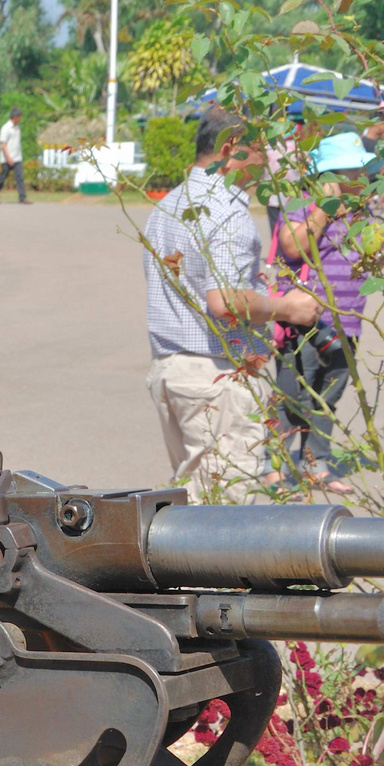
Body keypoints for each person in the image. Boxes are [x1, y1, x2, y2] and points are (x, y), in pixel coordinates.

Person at [142, 106, 320, 500]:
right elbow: (223, 300)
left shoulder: (169, 204)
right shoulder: (225, 210)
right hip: (215, 377)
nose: (267, 160)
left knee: (193, 496)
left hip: (172, 371)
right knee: (225, 513)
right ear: (233, 147)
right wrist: (288, 306)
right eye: (262, 149)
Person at [272, 131, 381, 494]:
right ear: (331, 176)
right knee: (293, 394)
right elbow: (291, 245)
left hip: (347, 321)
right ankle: (273, 465)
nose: (363, 178)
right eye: (354, 172)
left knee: (328, 395)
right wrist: (324, 208)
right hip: (306, 321)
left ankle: (314, 463)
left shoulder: (362, 212)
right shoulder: (304, 205)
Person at [0, 107, 29, 204]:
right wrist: (8, 157)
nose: (20, 119)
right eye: (19, 117)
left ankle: (22, 197)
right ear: (15, 117)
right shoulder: (6, 128)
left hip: (17, 157)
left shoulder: (17, 128)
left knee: (20, 177)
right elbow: (3, 144)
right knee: (2, 178)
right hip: (7, 158)